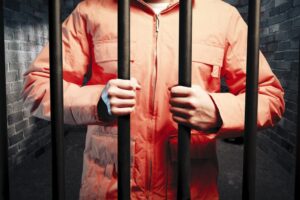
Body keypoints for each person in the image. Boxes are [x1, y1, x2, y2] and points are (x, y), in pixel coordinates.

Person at [22, 0, 285, 199]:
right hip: (108, 189)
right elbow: (37, 86)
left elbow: (270, 97)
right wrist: (96, 102)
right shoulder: (91, 11)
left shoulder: (222, 16)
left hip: (190, 189)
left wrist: (218, 111)